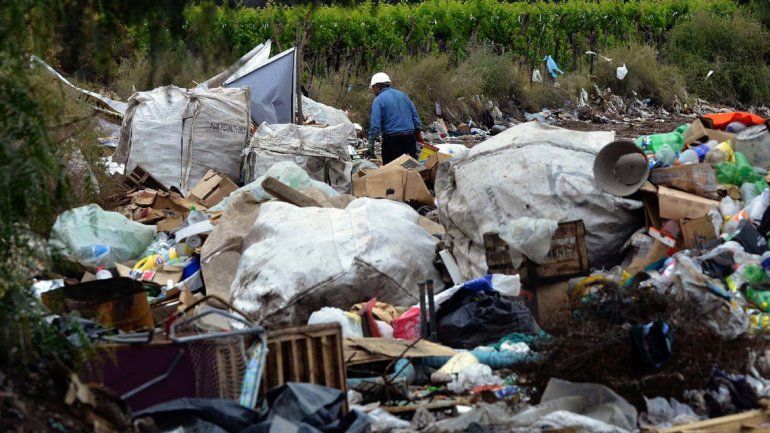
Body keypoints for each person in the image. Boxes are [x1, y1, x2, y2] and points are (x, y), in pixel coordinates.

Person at [367, 72, 423, 164]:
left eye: (373, 88)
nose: (373, 91)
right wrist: (416, 137)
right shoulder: (404, 96)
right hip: (409, 139)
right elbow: (416, 121)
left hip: (392, 142)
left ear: (377, 86)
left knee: (391, 172)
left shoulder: (378, 100)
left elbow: (375, 126)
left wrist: (371, 145)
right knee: (410, 170)